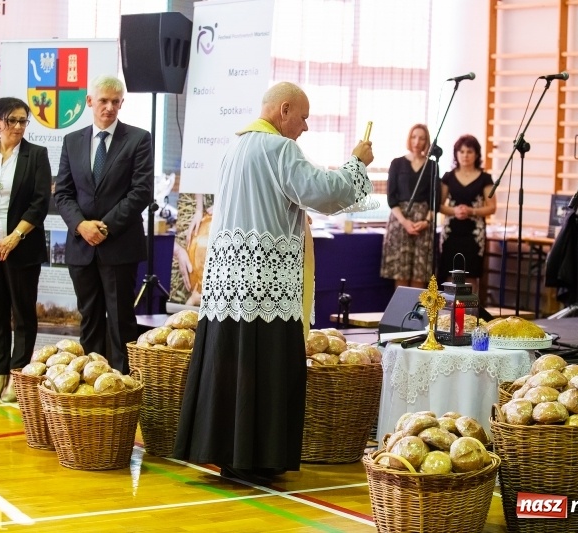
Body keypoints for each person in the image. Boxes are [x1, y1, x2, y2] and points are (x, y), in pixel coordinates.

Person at [172, 81, 374, 483]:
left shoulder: (235, 147)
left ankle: (229, 455)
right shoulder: (279, 149)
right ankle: (258, 458)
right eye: (303, 117)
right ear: (283, 110)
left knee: (231, 368)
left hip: (229, 282)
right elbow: (324, 192)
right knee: (264, 372)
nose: (305, 127)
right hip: (265, 282)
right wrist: (357, 162)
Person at [53, 75, 152, 373]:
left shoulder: (138, 138)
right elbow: (64, 193)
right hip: (81, 247)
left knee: (121, 322)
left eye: (115, 101)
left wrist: (104, 227)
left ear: (122, 103)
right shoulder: (72, 141)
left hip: (119, 246)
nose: (109, 107)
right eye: (103, 100)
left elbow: (141, 192)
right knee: (89, 320)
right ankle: (91, 385)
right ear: (89, 101)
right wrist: (82, 226)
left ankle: (122, 386)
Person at [0, 97, 51, 401]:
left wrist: (16, 235)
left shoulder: (36, 155)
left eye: (23, 121)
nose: (17, 127)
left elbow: (40, 202)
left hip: (21, 248)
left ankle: (18, 376)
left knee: (23, 314)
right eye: (11, 120)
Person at [380, 124, 439, 288]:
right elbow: (391, 198)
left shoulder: (432, 165)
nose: (417, 141)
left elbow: (436, 200)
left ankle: (417, 313)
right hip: (401, 220)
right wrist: (405, 222)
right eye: (414, 137)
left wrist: (426, 221)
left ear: (427, 141)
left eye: (421, 138)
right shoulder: (397, 163)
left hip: (423, 222)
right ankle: (401, 313)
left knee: (421, 272)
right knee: (401, 271)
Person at [438, 134, 496, 293]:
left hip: (474, 234)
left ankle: (469, 315)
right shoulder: (448, 177)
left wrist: (472, 211)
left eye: (469, 151)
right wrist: (454, 211)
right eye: (461, 151)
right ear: (456, 154)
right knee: (451, 276)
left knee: (470, 276)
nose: (465, 155)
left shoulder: (485, 178)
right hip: (452, 232)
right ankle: (449, 315)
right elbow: (440, 206)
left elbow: (492, 207)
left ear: (476, 154)